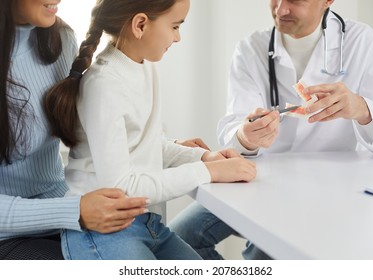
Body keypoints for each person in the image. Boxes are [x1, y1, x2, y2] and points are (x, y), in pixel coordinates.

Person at [169, 0, 373, 260]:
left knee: (263, 253)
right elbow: (235, 128)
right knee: (180, 236)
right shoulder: (251, 49)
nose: (281, 9)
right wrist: (246, 137)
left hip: (334, 186)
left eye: (296, 1)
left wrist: (362, 108)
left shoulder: (363, 43)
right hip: (261, 178)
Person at [44, 0, 256, 260]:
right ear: (140, 24)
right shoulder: (104, 86)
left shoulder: (144, 67)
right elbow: (122, 187)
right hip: (103, 231)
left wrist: (203, 157)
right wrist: (208, 172)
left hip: (147, 224)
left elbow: (147, 144)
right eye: (175, 26)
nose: (178, 38)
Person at [0, 0, 149, 260]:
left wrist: (172, 149)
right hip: (9, 235)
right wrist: (75, 211)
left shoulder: (60, 39)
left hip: (62, 211)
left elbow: (96, 123)